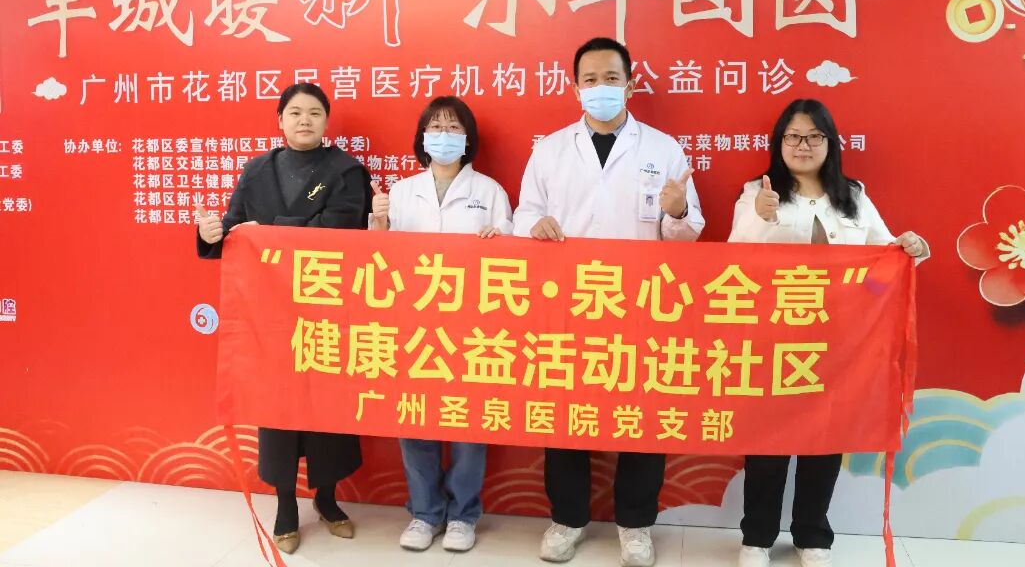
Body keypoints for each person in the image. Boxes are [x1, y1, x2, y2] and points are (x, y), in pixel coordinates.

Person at [514, 36, 705, 567]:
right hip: (567, 302)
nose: (601, 87)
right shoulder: (550, 149)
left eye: (612, 78)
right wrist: (536, 224)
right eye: (591, 79)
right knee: (565, 414)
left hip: (641, 302)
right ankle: (567, 518)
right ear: (575, 88)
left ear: (630, 84)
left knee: (641, 416)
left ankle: (636, 525)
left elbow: (687, 234)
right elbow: (523, 213)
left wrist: (678, 209)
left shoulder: (662, 149)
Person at [728, 98, 929, 567]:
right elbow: (735, 260)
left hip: (840, 341)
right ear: (779, 143)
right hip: (774, 338)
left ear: (830, 143)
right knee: (768, 440)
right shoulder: (757, 192)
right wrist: (761, 214)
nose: (803, 145)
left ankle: (812, 534)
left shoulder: (853, 195)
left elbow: (885, 261)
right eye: (793, 136)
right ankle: (757, 536)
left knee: (826, 436)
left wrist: (913, 249)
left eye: (814, 136)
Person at [195, 82, 372, 555]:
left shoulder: (346, 170)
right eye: (294, 112)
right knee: (276, 409)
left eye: (314, 112)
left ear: (326, 121)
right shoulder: (256, 170)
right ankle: (286, 506)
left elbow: (339, 230)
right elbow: (235, 228)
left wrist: (268, 231)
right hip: (269, 312)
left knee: (328, 409)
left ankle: (328, 500)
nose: (304, 120)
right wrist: (211, 233)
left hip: (327, 306)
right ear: (280, 120)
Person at [370, 96, 513, 553]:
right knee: (416, 418)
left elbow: (513, 258)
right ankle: (425, 512)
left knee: (469, 422)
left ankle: (463, 515)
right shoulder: (401, 191)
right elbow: (379, 259)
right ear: (422, 137)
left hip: (473, 325)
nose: (444, 135)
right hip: (413, 322)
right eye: (436, 127)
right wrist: (378, 222)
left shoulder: (490, 191)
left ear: (468, 139)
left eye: (454, 127)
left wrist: (500, 240)